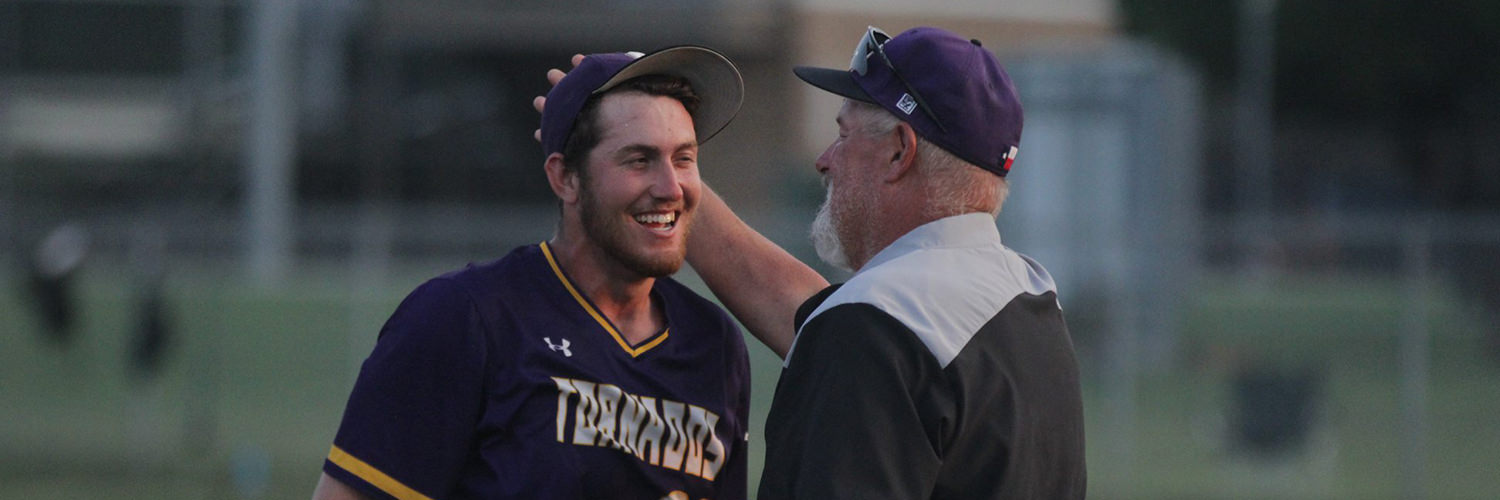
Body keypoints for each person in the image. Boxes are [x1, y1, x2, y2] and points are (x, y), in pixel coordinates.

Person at [313, 46, 753, 500]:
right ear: (565, 178)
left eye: (683, 159)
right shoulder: (464, 318)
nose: (670, 187)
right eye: (638, 160)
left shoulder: (713, 343)